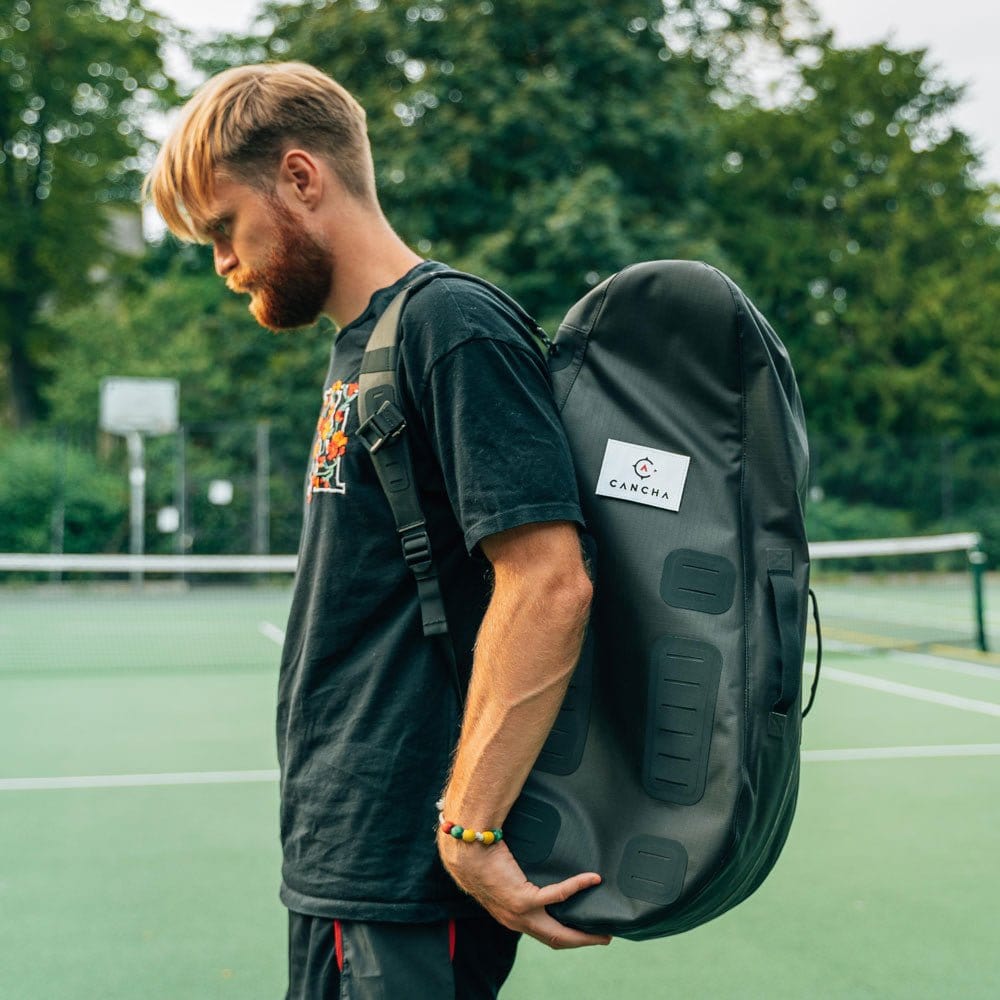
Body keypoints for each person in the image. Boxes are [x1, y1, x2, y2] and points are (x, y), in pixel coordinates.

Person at [144, 61, 610, 999]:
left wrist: (469, 828)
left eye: (225, 229)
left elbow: (549, 581)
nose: (223, 265)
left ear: (301, 178)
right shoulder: (365, 344)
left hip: (409, 869)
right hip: (343, 857)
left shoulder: (451, 326)